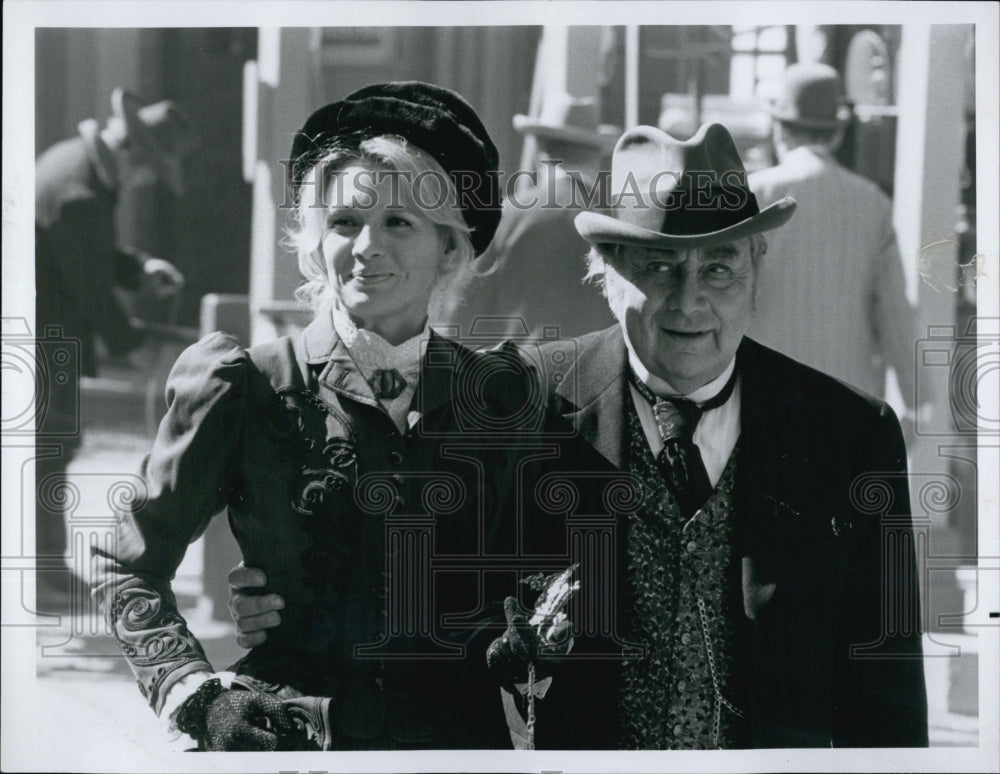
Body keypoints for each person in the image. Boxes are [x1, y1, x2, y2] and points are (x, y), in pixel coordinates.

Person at [232, 121, 929, 749]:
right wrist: (292, 586)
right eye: (658, 266)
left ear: (755, 275)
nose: (689, 300)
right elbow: (405, 549)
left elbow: (887, 686)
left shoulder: (848, 436)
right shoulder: (514, 403)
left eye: (718, 268)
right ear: (606, 273)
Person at [93, 81, 548, 751]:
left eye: (399, 222)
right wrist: (197, 691)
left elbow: (541, 571)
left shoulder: (501, 396)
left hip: (459, 748)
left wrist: (526, 630)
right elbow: (124, 563)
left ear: (450, 248)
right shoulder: (244, 387)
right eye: (344, 222)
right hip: (293, 741)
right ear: (313, 239)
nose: (367, 246)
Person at [34, 88, 194, 607]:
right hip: (41, 338)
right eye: (146, 171)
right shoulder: (78, 190)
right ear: (128, 150)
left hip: (48, 333)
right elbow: (91, 291)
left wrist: (139, 267)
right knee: (48, 450)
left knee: (48, 449)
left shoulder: (74, 166)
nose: (143, 182)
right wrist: (137, 343)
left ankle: (44, 570)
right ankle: (43, 575)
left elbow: (91, 254)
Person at [747, 62, 919, 412]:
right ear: (837, 134)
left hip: (761, 394)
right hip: (848, 403)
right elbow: (894, 311)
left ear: (779, 130)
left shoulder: (753, 194)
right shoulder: (874, 203)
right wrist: (919, 400)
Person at [440, 92, 617, 340]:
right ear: (596, 158)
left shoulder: (506, 217)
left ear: (540, 154)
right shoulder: (617, 224)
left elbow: (463, 316)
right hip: (599, 375)